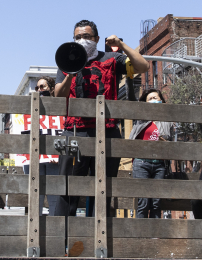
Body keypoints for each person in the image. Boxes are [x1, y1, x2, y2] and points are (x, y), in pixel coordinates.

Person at [54, 19, 150, 218]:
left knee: (102, 191)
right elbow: (59, 96)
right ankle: (62, 235)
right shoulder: (66, 59)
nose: (82, 40)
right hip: (74, 131)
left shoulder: (112, 59)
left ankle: (98, 235)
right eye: (78, 37)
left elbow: (143, 66)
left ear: (97, 39)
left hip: (107, 130)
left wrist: (121, 45)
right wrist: (71, 71)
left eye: (87, 36)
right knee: (67, 189)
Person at [128, 89, 173, 218]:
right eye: (150, 99)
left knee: (156, 203)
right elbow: (130, 96)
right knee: (143, 202)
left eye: (155, 98)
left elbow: (171, 144)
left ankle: (155, 230)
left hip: (159, 164)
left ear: (161, 100)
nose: (153, 100)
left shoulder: (167, 120)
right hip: (142, 163)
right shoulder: (141, 119)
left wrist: (163, 141)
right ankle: (140, 230)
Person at [34, 76, 61, 216]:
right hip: (36, 158)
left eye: (42, 86)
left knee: (54, 196)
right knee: (35, 196)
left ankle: (54, 226)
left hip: (53, 159)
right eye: (37, 87)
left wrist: (58, 154)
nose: (39, 90)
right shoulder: (32, 106)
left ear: (51, 89)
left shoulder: (59, 106)